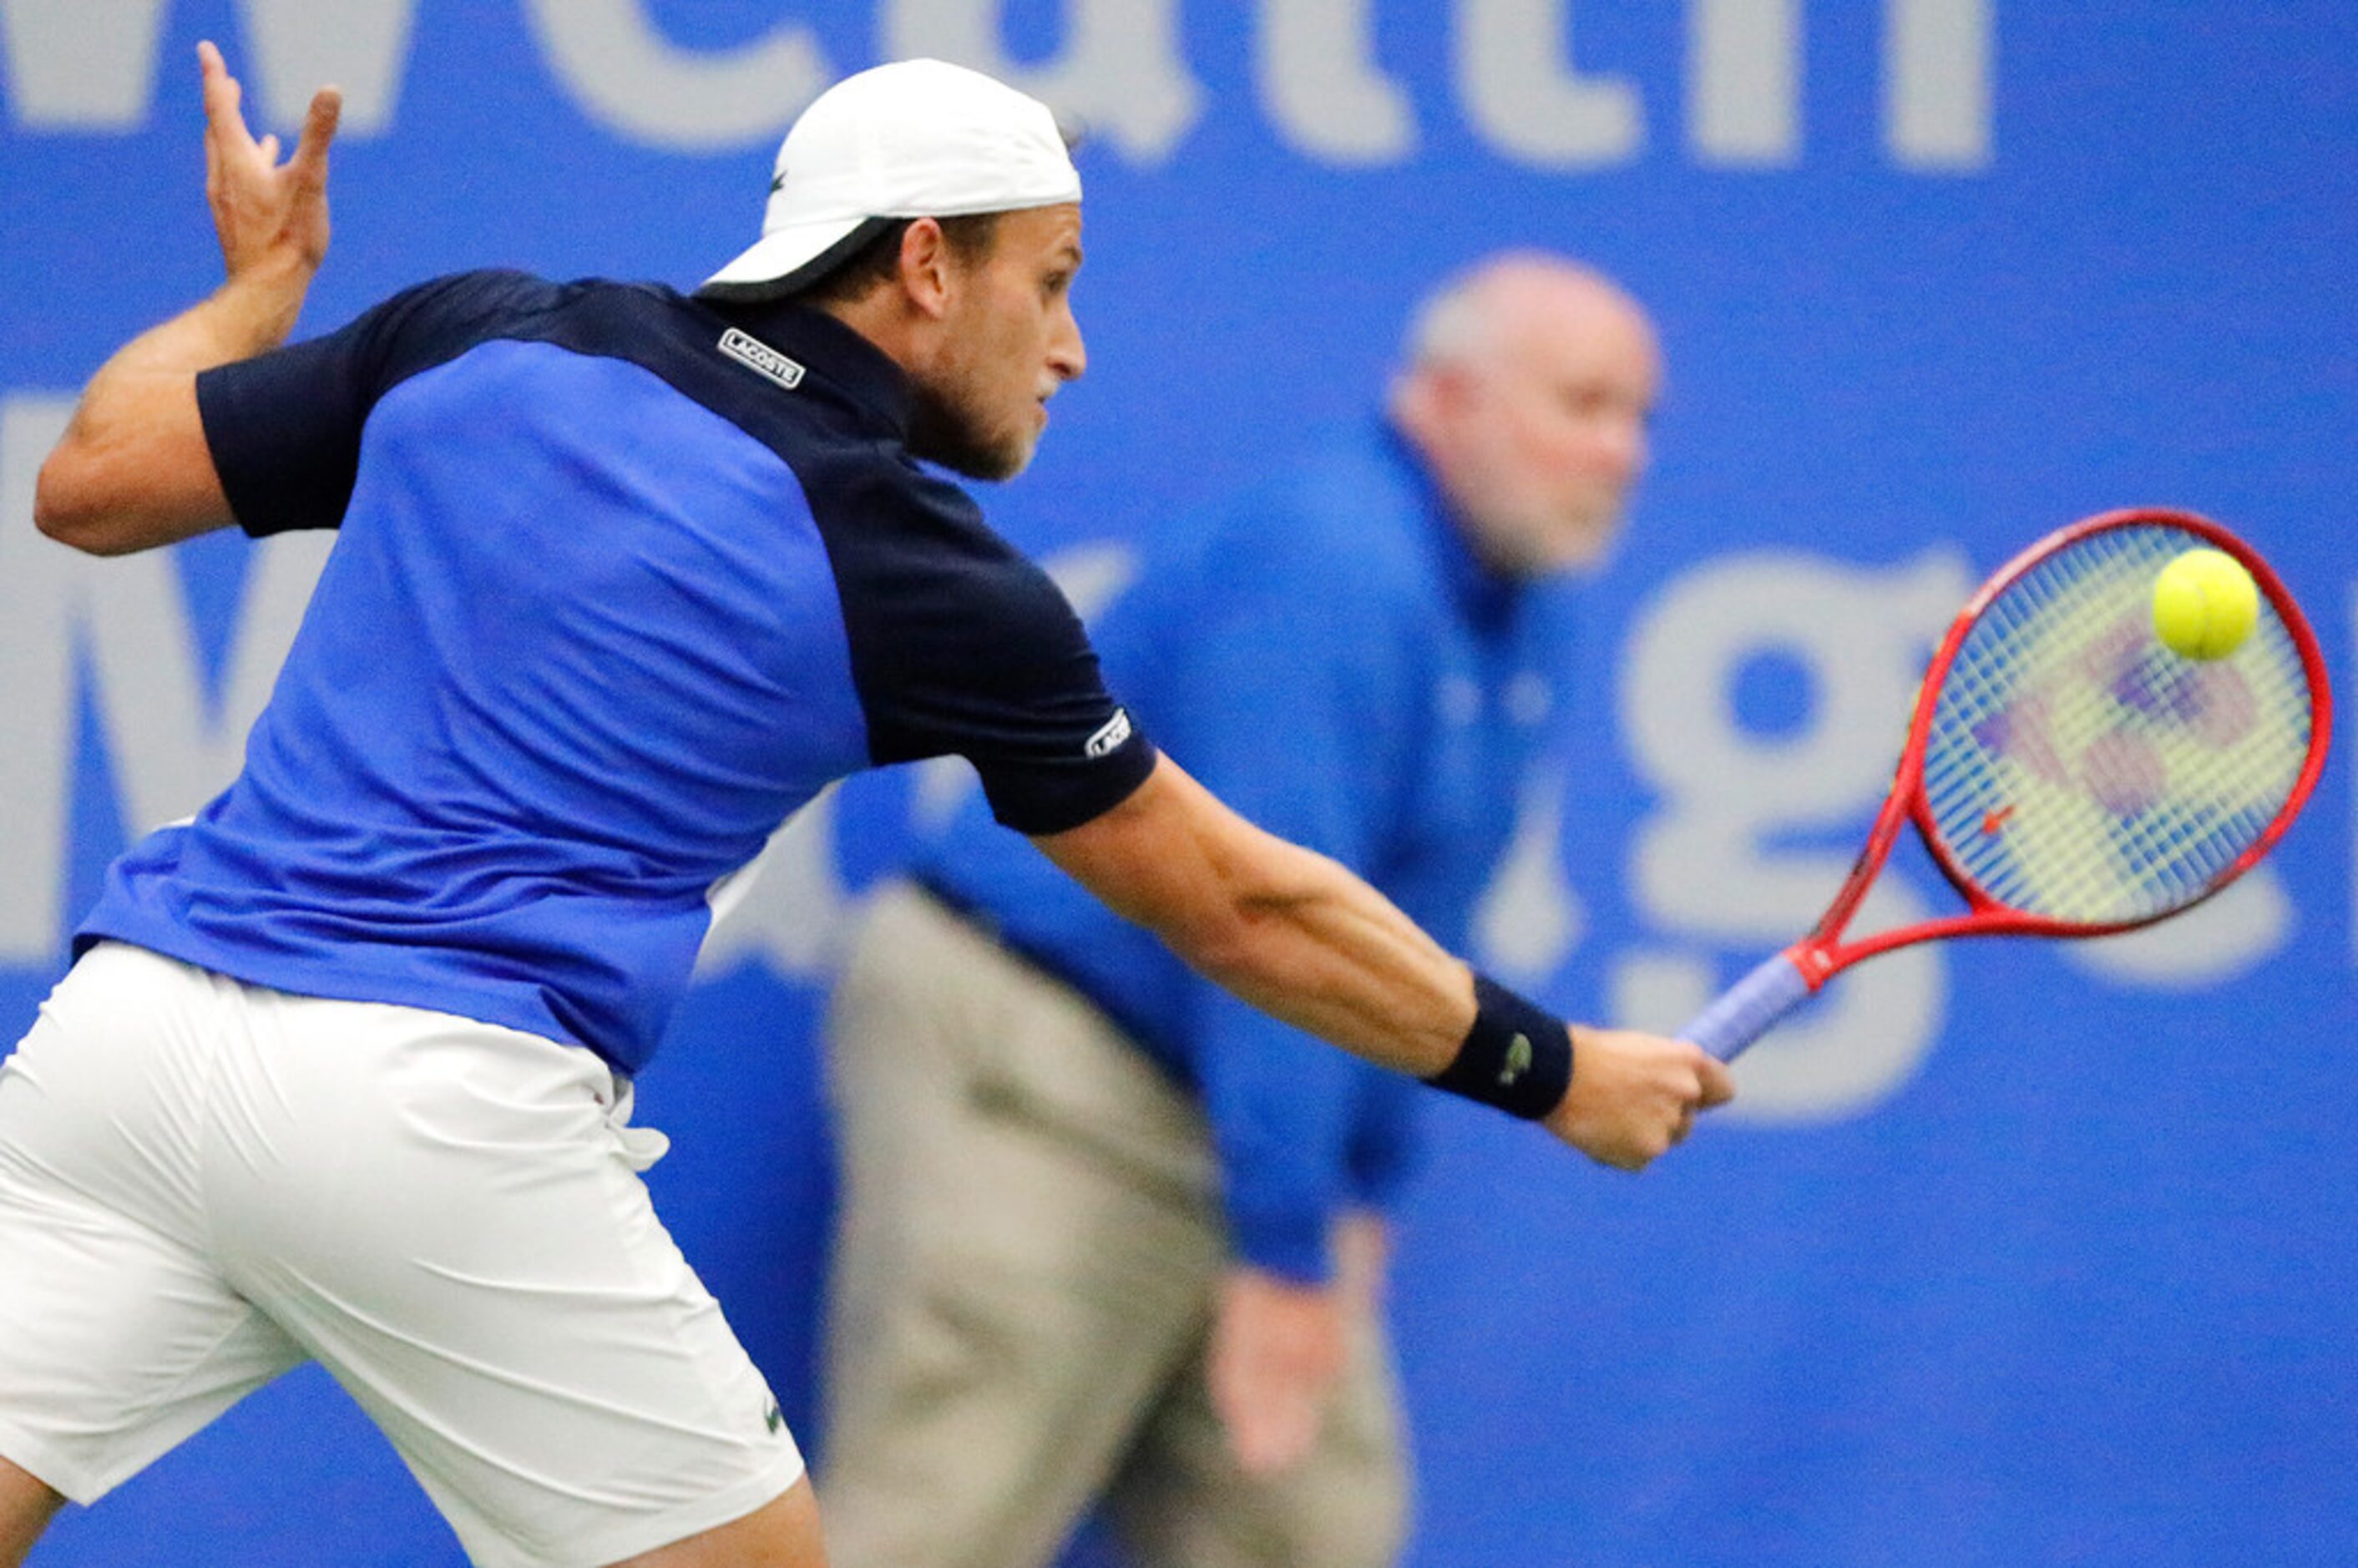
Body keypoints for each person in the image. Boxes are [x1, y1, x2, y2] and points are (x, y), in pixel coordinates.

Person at [0, 42, 1732, 1568]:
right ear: (923, 264)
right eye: (1046, 282)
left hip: (118, 1047)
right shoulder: (915, 571)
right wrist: (1551, 1070)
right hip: (428, 1112)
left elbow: (87, 489)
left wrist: (256, 293)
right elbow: (1244, 908)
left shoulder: (487, 325)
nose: (1066, 346)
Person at [817, 253, 1665, 1568]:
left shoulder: (1529, 600)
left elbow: (1412, 920)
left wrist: (1357, 1190)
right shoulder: (1334, 568)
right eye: (1584, 405)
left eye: (1638, 419)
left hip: (1249, 1103)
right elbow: (1262, 923)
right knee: (938, 1529)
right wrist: (1286, 1241)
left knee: (1310, 1533)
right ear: (1444, 398)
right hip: (1044, 1062)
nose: (1619, 452)